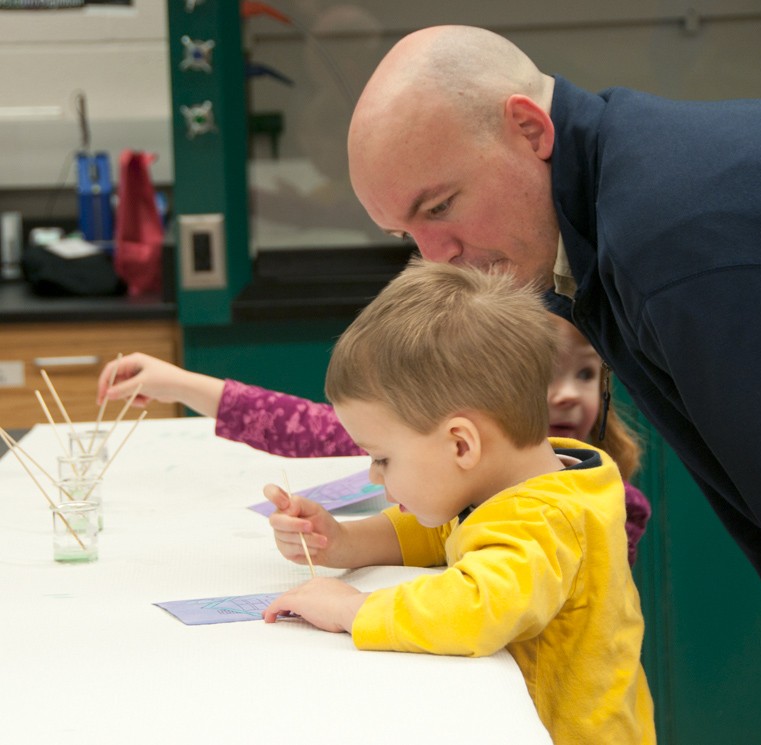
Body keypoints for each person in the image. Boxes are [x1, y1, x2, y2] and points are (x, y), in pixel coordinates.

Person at [343, 25, 761, 619]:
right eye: (408, 234)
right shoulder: (611, 202)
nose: (435, 256)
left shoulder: (669, 248)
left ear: (529, 129)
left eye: (441, 207)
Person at [261, 259, 656, 744]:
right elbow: (433, 529)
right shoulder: (522, 482)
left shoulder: (541, 520)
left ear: (461, 445)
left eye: (382, 458)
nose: (373, 474)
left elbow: (476, 608)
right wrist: (341, 541)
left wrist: (353, 609)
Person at [96, 318, 652, 565]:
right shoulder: (434, 446)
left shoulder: (604, 508)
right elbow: (302, 423)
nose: (563, 397)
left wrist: (352, 610)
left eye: (585, 375)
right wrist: (176, 383)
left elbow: (486, 601)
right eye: (543, 378)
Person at [548, 313, 651, 565]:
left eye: (585, 374)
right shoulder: (461, 485)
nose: (569, 395)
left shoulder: (616, 501)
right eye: (545, 372)